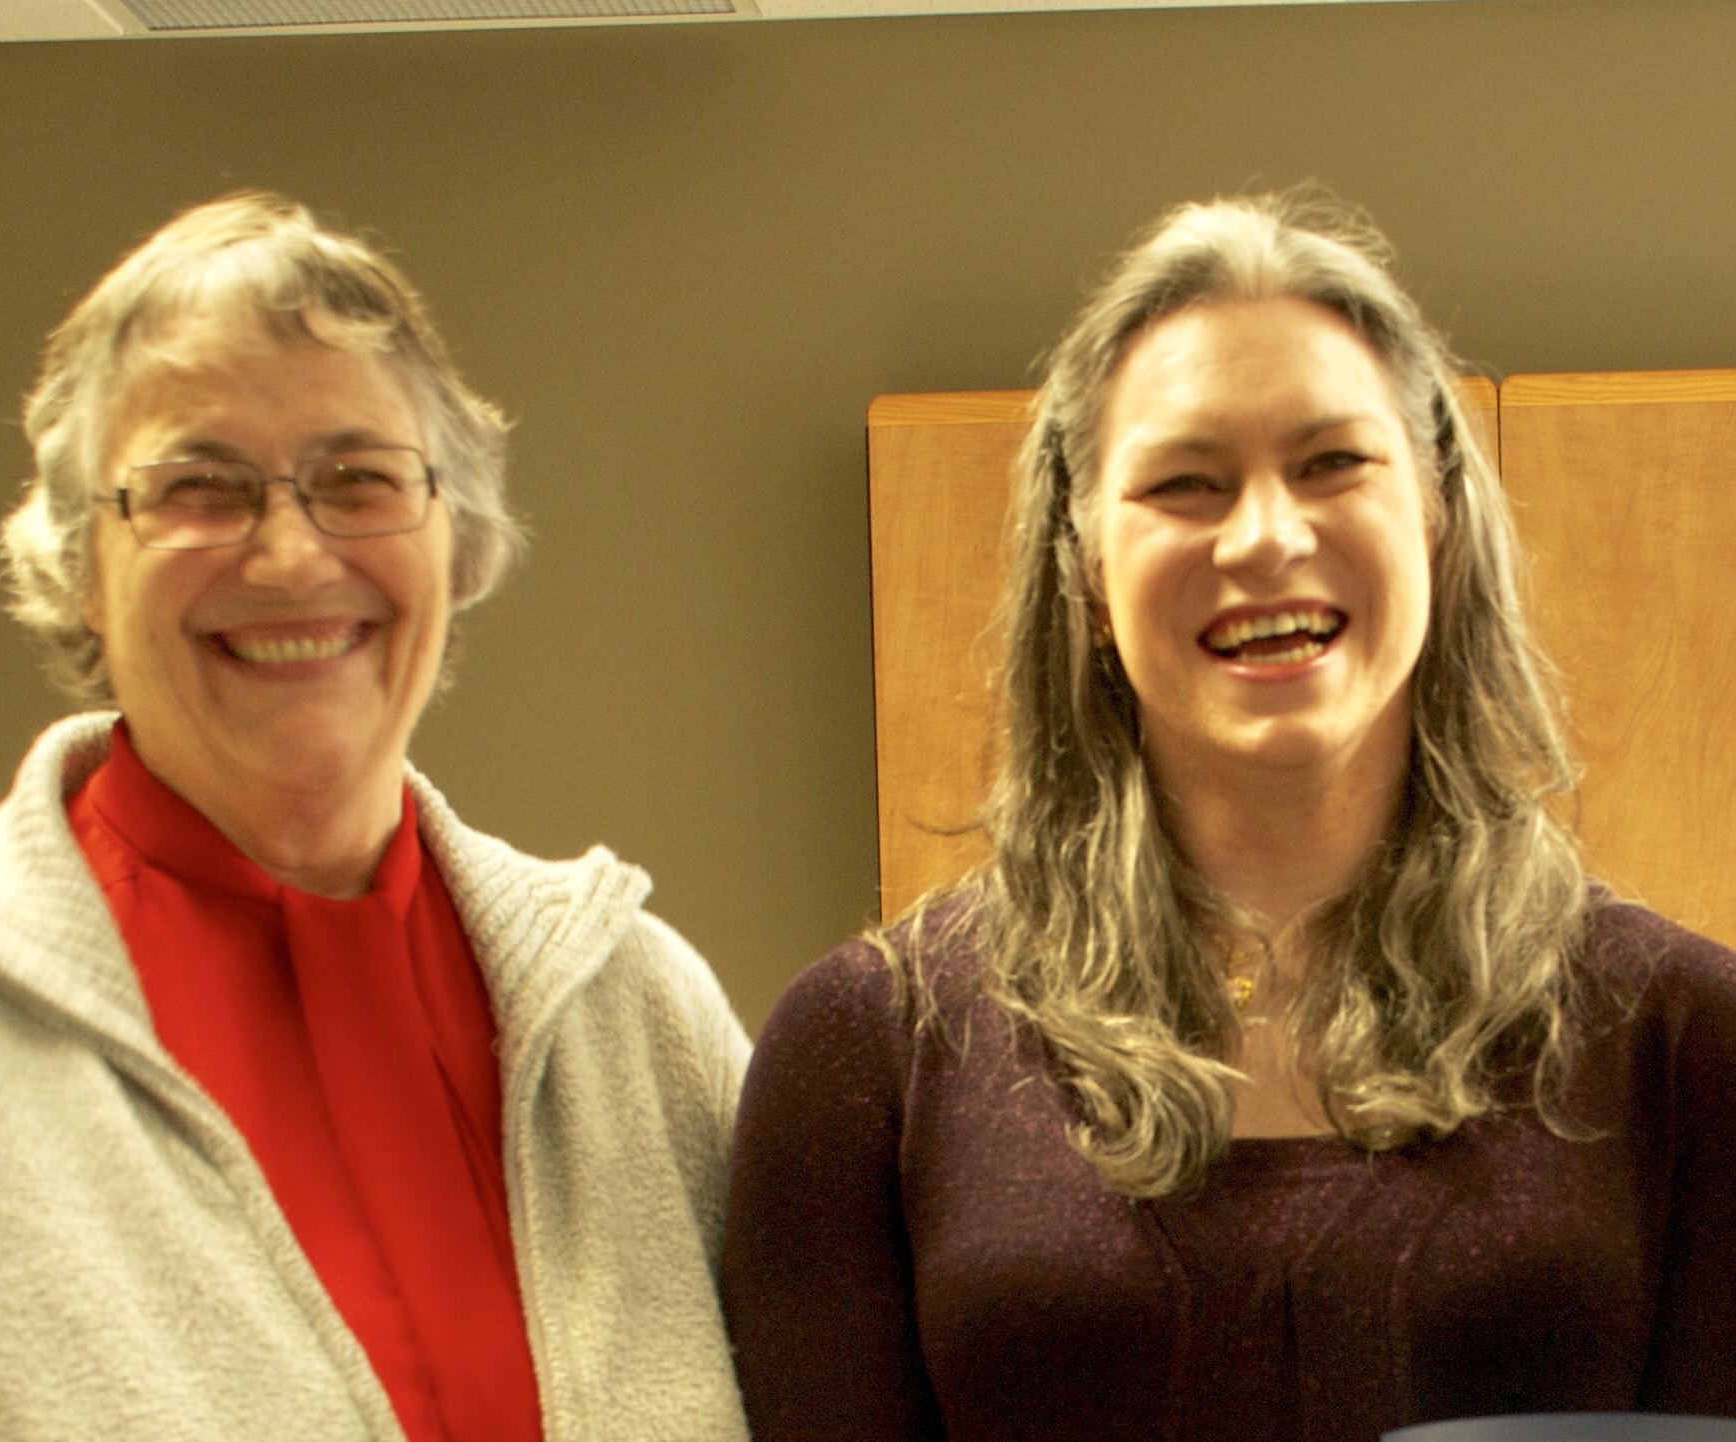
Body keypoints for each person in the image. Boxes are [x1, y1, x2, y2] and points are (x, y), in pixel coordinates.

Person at [720, 194, 1736, 1441]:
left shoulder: (1688, 1039)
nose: (1265, 534)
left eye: (1331, 463)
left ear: (1436, 520)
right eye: (1185, 484)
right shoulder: (864, 1054)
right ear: (1087, 574)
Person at [0, 193, 750, 1442]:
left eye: (357, 478)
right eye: (199, 485)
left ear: (453, 544)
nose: (292, 554)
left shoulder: (633, 1009)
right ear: (81, 564)